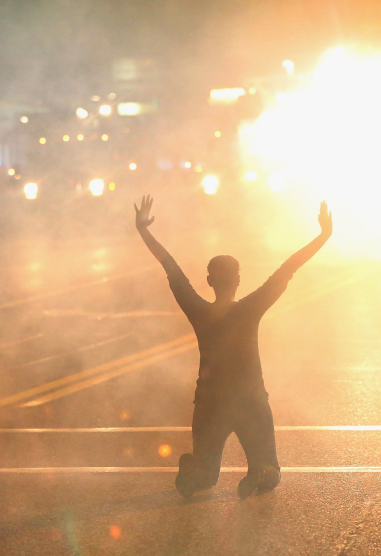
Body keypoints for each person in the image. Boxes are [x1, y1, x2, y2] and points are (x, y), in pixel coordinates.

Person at [134, 195, 333, 499]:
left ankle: (196, 469)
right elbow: (288, 268)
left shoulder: (198, 311)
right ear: (238, 280)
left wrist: (144, 230)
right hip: (250, 400)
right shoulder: (250, 309)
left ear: (209, 281)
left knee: (205, 476)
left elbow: (169, 266)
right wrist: (323, 235)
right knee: (269, 466)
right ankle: (262, 471)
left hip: (209, 404)